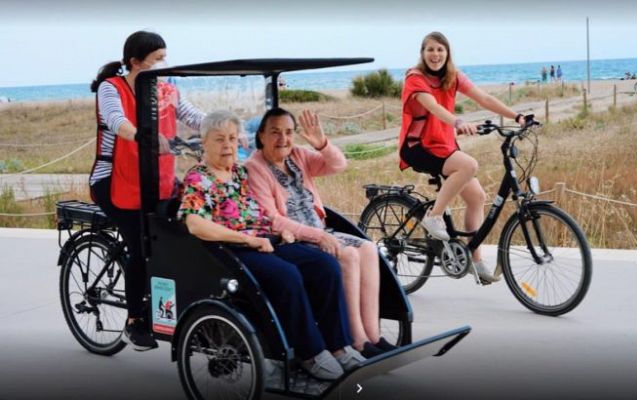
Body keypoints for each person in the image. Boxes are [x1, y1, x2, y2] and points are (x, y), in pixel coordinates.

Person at [178, 110, 365, 380]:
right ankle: (309, 353)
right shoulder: (199, 179)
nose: (228, 145)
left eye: (232, 138)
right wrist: (248, 239)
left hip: (266, 240)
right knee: (286, 276)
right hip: (233, 249)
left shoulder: (239, 173)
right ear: (203, 142)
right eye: (219, 139)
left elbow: (261, 211)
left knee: (324, 265)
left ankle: (338, 346)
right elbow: (195, 224)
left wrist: (285, 232)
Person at [245, 107, 396, 358]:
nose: (283, 139)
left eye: (289, 132)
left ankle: (373, 335)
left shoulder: (298, 156)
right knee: (348, 255)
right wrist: (318, 236)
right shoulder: (255, 166)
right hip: (292, 239)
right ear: (261, 135)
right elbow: (272, 220)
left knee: (368, 249)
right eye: (275, 132)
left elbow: (338, 164)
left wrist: (322, 144)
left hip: (320, 229)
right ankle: (358, 340)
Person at [89, 30, 205, 350]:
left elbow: (193, 116)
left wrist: (225, 127)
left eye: (165, 57)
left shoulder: (166, 89)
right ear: (135, 63)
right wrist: (142, 135)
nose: (165, 64)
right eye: (158, 59)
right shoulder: (111, 89)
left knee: (181, 237)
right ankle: (135, 320)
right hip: (113, 181)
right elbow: (115, 120)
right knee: (140, 246)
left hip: (155, 179)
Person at [398, 31, 527, 283]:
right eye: (430, 50)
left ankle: (475, 260)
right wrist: (457, 121)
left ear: (447, 53)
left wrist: (517, 117)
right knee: (468, 165)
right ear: (422, 54)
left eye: (440, 50)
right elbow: (433, 107)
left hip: (443, 144)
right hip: (419, 146)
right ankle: (433, 217)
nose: (435, 55)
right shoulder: (415, 78)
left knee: (477, 197)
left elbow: (484, 97)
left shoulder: (452, 76)